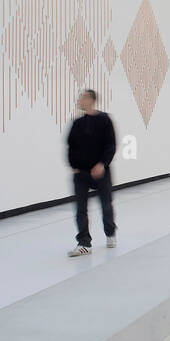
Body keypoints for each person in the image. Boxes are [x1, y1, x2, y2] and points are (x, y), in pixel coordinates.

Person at [65, 89, 116, 256]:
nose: (80, 99)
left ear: (91, 100)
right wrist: (74, 166)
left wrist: (102, 164)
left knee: (106, 205)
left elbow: (110, 145)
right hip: (81, 175)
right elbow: (71, 146)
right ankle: (84, 243)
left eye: (83, 97)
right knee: (81, 208)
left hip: (101, 173)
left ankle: (110, 232)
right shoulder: (77, 124)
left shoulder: (104, 120)